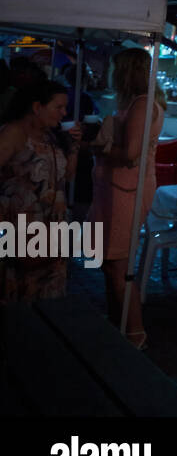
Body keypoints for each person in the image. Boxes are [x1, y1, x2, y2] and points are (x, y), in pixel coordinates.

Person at [89, 48, 165, 347]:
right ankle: (117, 325)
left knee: (120, 265)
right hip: (120, 189)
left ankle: (134, 333)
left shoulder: (142, 104)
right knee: (111, 263)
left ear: (124, 71)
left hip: (126, 192)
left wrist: (98, 148)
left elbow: (131, 154)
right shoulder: (140, 103)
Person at [0, 79, 81, 302]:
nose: (64, 113)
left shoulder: (51, 135)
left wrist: (74, 148)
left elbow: (65, 177)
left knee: (49, 297)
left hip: (53, 228)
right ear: (37, 107)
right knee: (21, 298)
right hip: (23, 230)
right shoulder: (14, 133)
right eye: (59, 107)